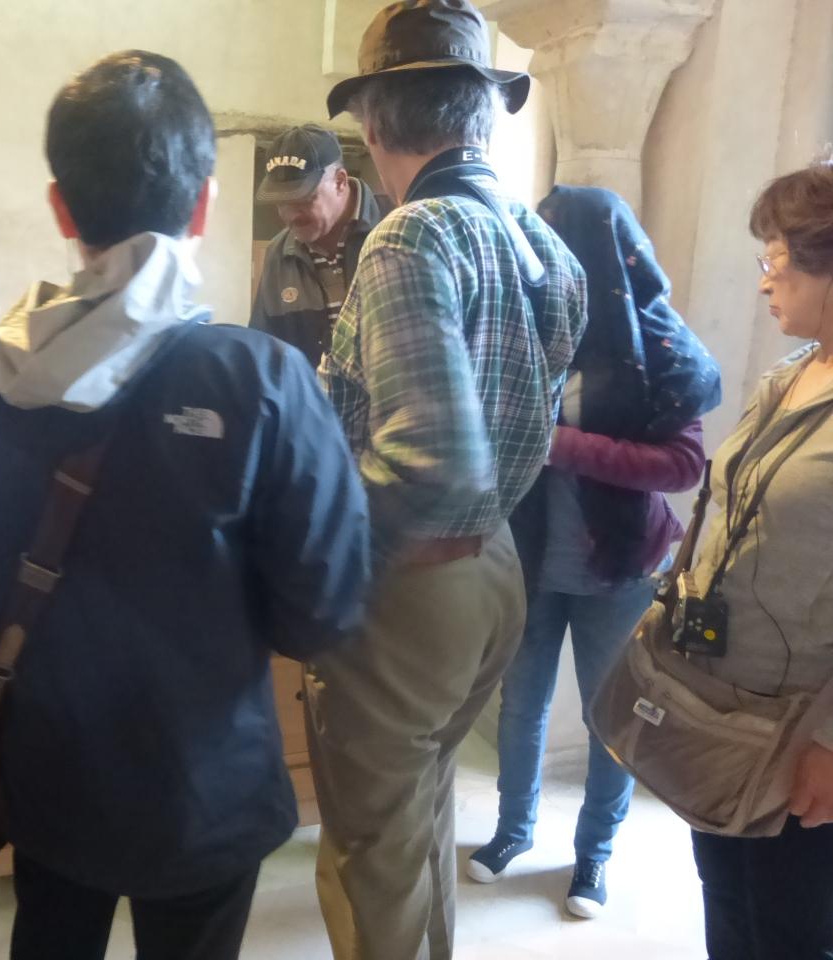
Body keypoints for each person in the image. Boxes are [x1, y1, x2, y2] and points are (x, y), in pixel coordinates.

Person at [0, 51, 370, 960]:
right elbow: (322, 612)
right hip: (206, 786)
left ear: (61, 208)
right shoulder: (263, 380)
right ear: (203, 206)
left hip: (47, 774)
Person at [305, 2, 588, 958]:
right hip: (497, 568)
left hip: (412, 584)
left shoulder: (409, 238)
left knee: (371, 858)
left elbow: (430, 460)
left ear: (374, 121)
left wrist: (307, 544)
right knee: (420, 813)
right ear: (484, 113)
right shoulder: (543, 241)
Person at [467, 185, 722, 917]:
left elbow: (683, 466)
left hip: (618, 568)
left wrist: (563, 445)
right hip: (529, 559)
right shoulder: (522, 326)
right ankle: (513, 830)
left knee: (612, 718)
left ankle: (594, 855)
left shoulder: (654, 345)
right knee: (520, 705)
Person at [681, 161, 833, 959]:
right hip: (725, 702)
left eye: (776, 258)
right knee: (725, 897)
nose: (765, 280)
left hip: (803, 721)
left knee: (789, 928)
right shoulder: (789, 376)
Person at [250, 124, 386, 367]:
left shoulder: (395, 228)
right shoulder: (278, 256)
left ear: (340, 181)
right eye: (281, 203)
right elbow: (264, 353)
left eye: (304, 199)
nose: (291, 215)